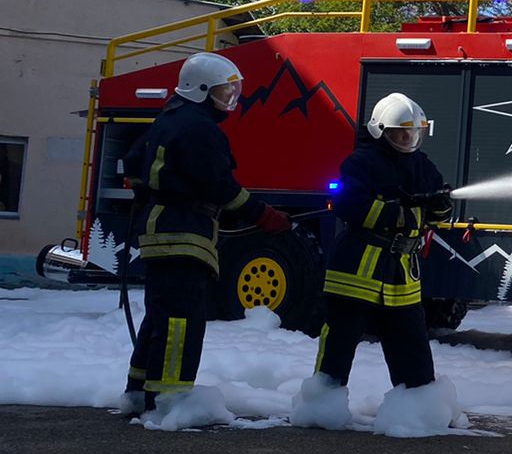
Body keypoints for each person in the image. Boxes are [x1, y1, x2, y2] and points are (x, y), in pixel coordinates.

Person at [122, 52, 291, 417]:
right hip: (182, 230)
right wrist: (263, 215)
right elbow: (220, 186)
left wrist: (150, 190)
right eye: (223, 92)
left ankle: (138, 393)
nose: (230, 99)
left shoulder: (169, 118)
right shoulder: (200, 129)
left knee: (160, 317)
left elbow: (133, 161)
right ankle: (168, 401)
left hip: (161, 227)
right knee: (182, 321)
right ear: (199, 90)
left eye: (233, 91)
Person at [291, 92, 457, 432]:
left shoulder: (423, 165)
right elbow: (349, 204)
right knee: (340, 341)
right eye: (400, 132)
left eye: (413, 132)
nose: (408, 138)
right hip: (357, 270)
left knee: (411, 341)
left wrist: (441, 207)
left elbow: (436, 215)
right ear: (381, 131)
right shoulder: (362, 164)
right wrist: (402, 214)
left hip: (400, 274)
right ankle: (321, 407)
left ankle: (418, 410)